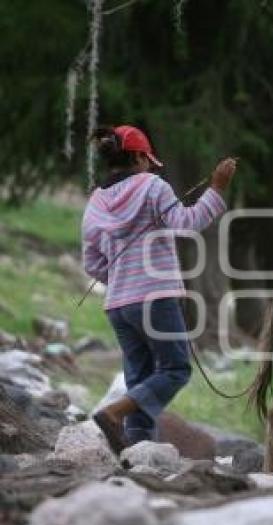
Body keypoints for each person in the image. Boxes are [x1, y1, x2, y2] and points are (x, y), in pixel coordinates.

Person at [82, 124, 237, 453]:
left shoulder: (96, 199)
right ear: (138, 156)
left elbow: (92, 262)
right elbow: (187, 223)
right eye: (148, 159)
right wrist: (217, 188)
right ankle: (113, 412)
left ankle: (136, 452)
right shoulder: (153, 186)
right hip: (156, 296)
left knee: (139, 378)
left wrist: (121, 280)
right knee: (175, 369)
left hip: (118, 305)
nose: (151, 166)